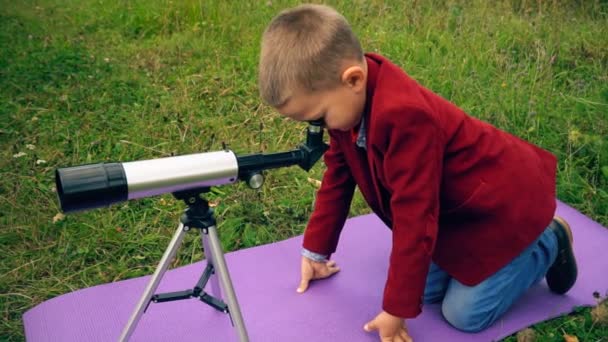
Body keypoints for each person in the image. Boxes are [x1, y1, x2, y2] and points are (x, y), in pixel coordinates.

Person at [257, 4, 578, 341]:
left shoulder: (407, 118)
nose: (319, 128)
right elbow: (339, 175)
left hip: (502, 208)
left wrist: (396, 310)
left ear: (353, 79)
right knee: (423, 291)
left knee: (464, 315)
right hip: (458, 210)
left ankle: (550, 240)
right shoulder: (346, 102)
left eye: (318, 118)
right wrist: (316, 251)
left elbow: (415, 214)